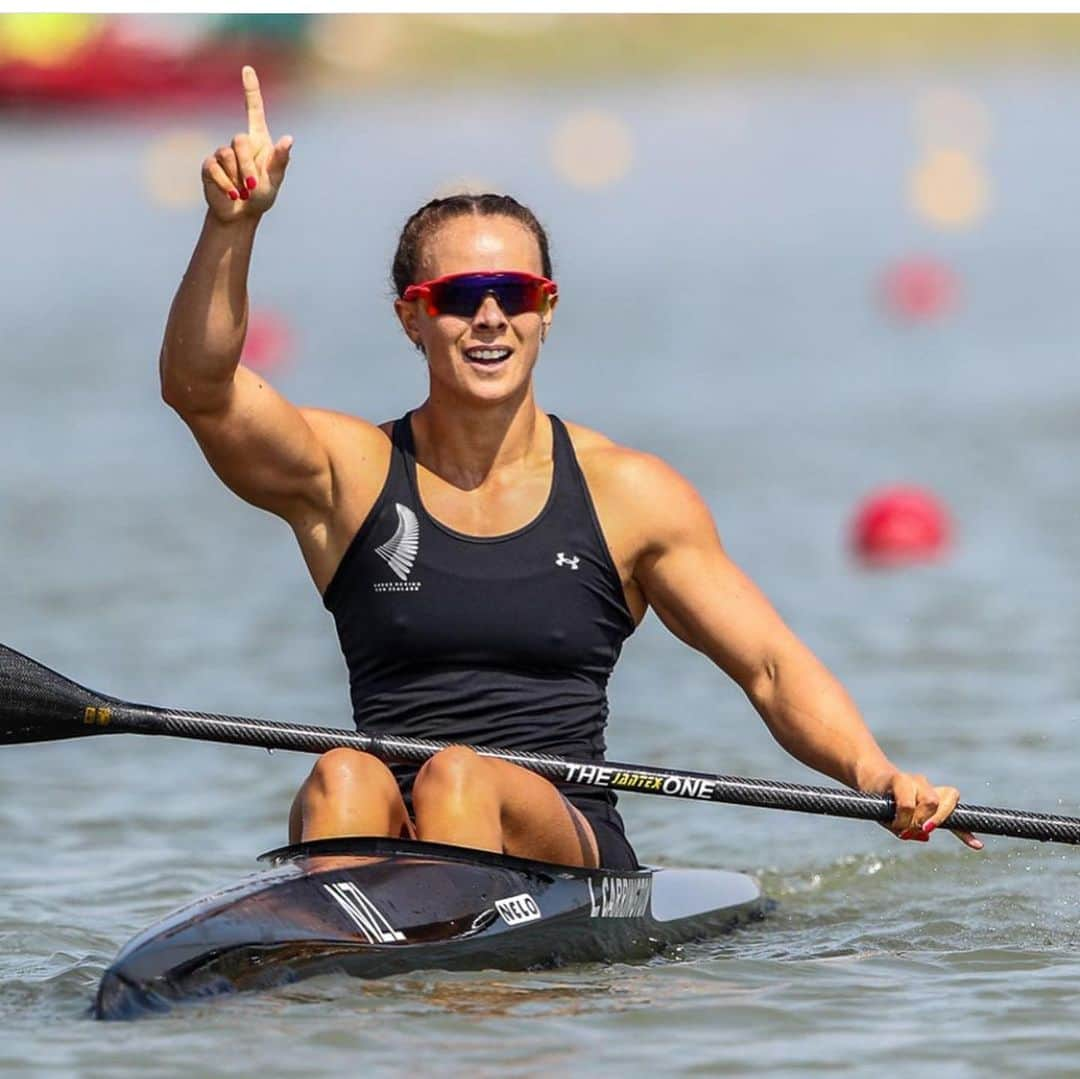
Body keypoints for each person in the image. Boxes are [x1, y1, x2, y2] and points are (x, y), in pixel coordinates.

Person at [160, 67, 982, 871]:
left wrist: (878, 775)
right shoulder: (352, 473)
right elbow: (201, 390)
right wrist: (232, 226)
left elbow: (769, 668)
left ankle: (447, 985)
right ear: (412, 316)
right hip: (387, 823)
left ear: (546, 310)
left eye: (514, 292)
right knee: (341, 772)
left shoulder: (628, 494)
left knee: (457, 776)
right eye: (459, 295)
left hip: (566, 847)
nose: (490, 316)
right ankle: (338, 972)